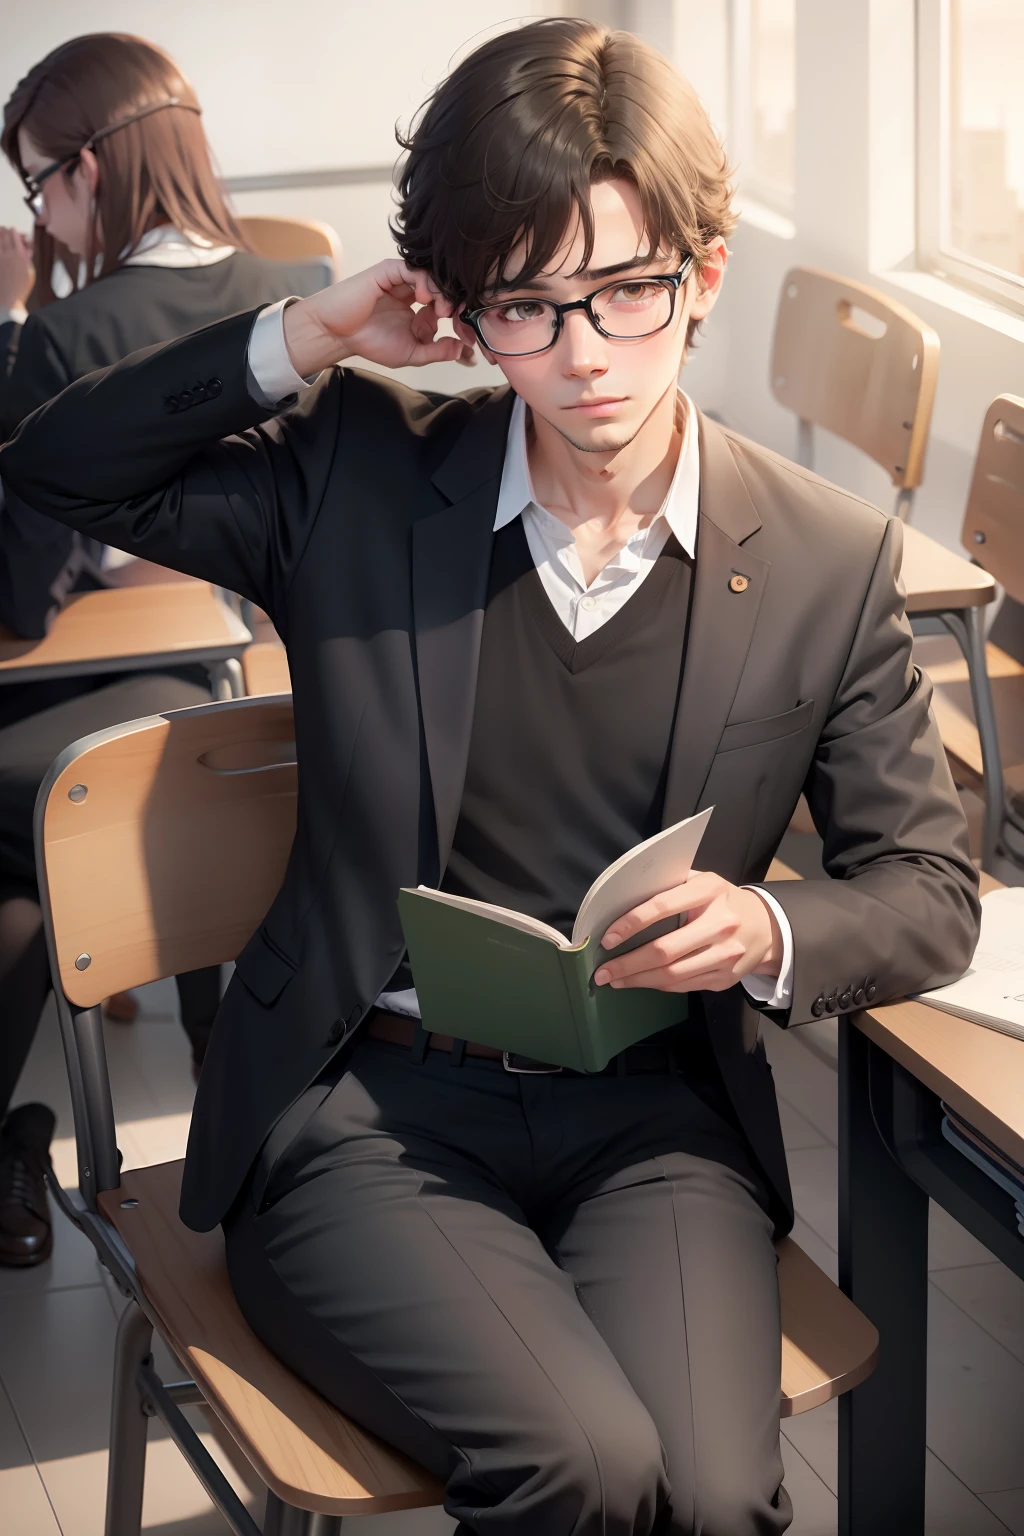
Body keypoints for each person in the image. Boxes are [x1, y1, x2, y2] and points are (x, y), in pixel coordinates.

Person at [0, 18, 979, 1532]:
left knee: (716, 1496)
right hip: (364, 1111)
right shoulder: (365, 473)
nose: (586, 357)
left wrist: (772, 933)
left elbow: (927, 888)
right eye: (528, 307)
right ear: (462, 310)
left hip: (655, 1122)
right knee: (581, 1465)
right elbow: (59, 468)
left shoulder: (826, 564)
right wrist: (307, 335)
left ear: (704, 276)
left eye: (630, 292)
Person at [0, 31, 327, 1268]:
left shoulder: (68, 336)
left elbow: (21, 593)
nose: (36, 213)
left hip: (122, 715)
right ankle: (219, 1076)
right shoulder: (286, 298)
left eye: (36, 184)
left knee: (23, 862)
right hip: (255, 709)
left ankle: (15, 1141)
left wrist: (6, 319)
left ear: (88, 172)